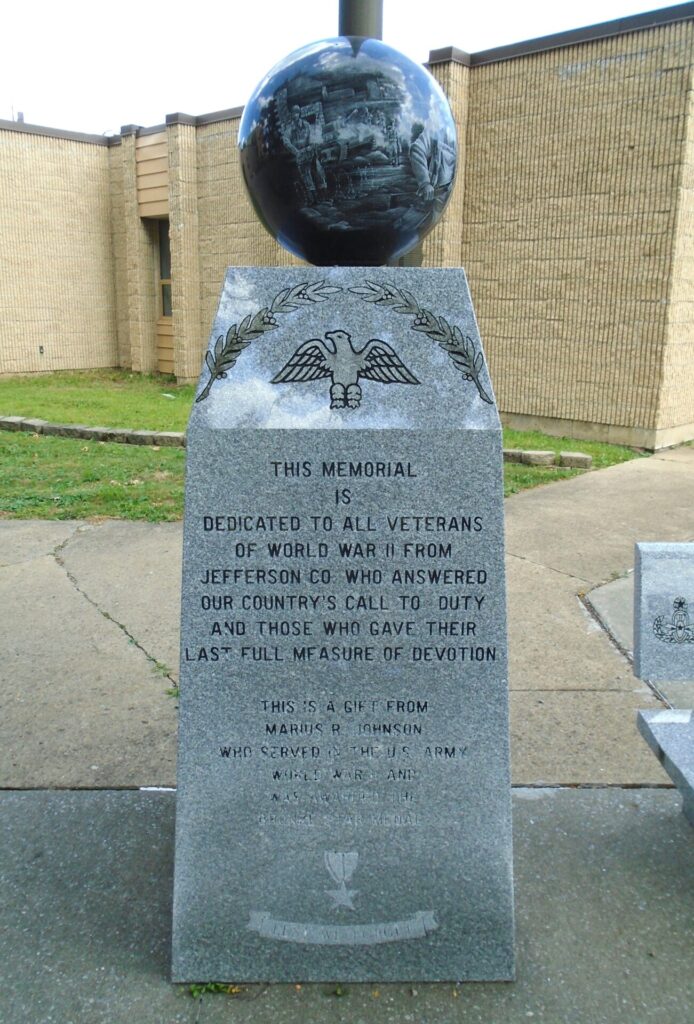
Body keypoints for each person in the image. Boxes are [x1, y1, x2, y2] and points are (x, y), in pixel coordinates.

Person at [284, 105, 327, 202]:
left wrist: (312, 145)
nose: (295, 115)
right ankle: (314, 199)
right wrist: (296, 152)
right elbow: (286, 141)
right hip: (301, 155)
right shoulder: (289, 129)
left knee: (319, 171)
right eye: (293, 113)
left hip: (310, 152)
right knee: (307, 176)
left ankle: (324, 196)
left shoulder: (306, 125)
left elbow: (312, 135)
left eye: (297, 113)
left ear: (299, 114)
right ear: (291, 115)